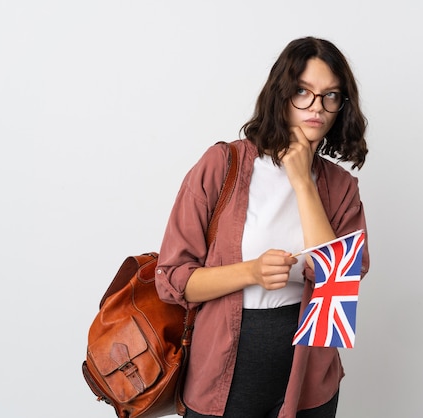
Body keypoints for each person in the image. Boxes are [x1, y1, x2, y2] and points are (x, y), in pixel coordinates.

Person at [155, 36, 370, 418]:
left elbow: (339, 283)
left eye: (330, 96)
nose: (316, 108)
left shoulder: (339, 187)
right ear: (281, 94)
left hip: (309, 375)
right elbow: (173, 279)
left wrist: (303, 182)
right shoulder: (222, 165)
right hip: (223, 369)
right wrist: (251, 272)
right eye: (303, 91)